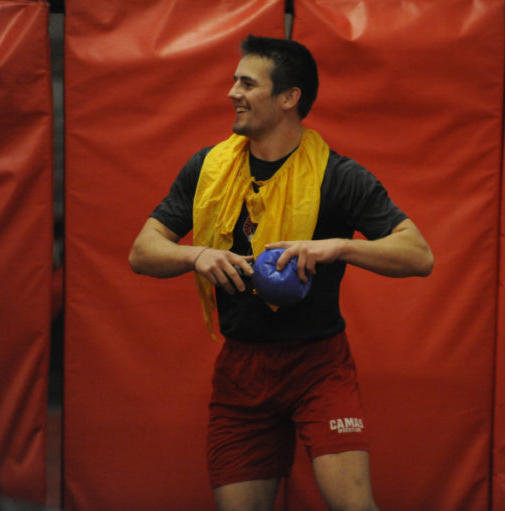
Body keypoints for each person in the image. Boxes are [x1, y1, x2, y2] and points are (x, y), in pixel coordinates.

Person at [129, 35, 433, 511]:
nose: (232, 93)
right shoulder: (207, 169)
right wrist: (195, 255)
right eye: (234, 81)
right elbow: (142, 252)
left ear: (289, 97)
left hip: (318, 367)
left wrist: (337, 247)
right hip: (241, 370)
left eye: (247, 84)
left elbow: (418, 254)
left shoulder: (339, 177)